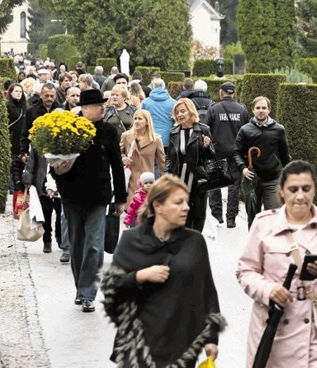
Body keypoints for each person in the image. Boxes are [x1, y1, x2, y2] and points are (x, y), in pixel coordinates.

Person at [236, 160, 317, 367]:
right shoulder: (264, 224)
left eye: (306, 189)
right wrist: (269, 290)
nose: (300, 196)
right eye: (293, 189)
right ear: (281, 192)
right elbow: (245, 271)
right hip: (274, 329)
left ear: (314, 190)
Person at [101, 174, 223, 367]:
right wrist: (140, 276)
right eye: (178, 202)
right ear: (158, 206)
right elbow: (112, 290)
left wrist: (211, 338)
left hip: (181, 344)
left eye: (186, 202)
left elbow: (207, 291)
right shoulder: (131, 241)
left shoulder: (195, 242)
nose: (186, 207)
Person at [51, 89, 127, 313]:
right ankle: (80, 287)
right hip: (72, 195)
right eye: (97, 104)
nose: (103, 107)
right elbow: (55, 165)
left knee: (94, 245)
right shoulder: (69, 129)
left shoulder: (108, 131)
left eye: (102, 104)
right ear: (84, 109)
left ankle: (87, 294)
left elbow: (117, 166)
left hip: (99, 196)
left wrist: (120, 198)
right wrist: (58, 172)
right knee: (76, 244)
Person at [235, 96, 291, 229]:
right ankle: (254, 246)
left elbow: (284, 154)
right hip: (251, 179)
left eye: (264, 108)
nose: (261, 111)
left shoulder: (278, 129)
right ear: (253, 110)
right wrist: (242, 168)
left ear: (269, 110)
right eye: (258, 108)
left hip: (272, 179)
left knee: (273, 216)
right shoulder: (245, 130)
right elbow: (236, 152)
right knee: (253, 218)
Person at [165, 98, 213, 233]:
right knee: (180, 215)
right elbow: (169, 157)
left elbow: (211, 157)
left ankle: (195, 241)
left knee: (198, 215)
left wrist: (207, 147)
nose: (180, 115)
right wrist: (167, 176)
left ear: (190, 111)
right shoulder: (174, 132)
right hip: (179, 179)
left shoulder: (203, 130)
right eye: (177, 112)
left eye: (183, 111)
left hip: (199, 180)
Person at [205, 81, 248, 228]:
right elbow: (247, 130)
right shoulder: (242, 109)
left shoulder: (214, 108)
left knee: (215, 183)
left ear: (221, 92)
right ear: (233, 93)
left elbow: (206, 129)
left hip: (217, 151)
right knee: (234, 186)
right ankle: (231, 218)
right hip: (236, 152)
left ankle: (217, 216)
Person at [120, 108, 165, 206]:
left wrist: (163, 182)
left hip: (147, 182)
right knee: (131, 211)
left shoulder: (156, 139)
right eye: (135, 118)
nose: (136, 121)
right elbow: (119, 152)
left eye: (140, 119)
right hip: (130, 180)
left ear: (147, 122)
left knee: (145, 213)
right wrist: (123, 158)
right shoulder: (126, 136)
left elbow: (162, 162)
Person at [19, 82, 59, 162]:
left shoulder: (60, 110)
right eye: (46, 96)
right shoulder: (31, 110)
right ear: (41, 95)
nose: (49, 98)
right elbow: (25, 132)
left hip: (56, 151)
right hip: (37, 151)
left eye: (52, 96)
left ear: (55, 96)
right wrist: (24, 151)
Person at [141, 78, 175, 153]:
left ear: (152, 87)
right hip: (167, 139)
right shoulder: (173, 103)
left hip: (150, 137)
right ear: (164, 87)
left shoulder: (145, 103)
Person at [6, 83, 27, 158]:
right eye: (16, 91)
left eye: (20, 91)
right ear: (11, 93)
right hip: (11, 139)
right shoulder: (7, 105)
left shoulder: (24, 106)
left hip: (21, 140)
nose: (19, 93)